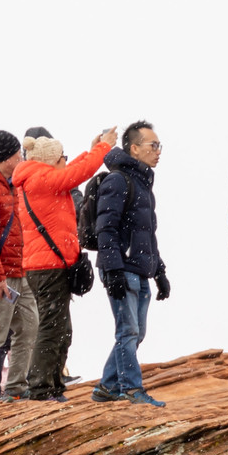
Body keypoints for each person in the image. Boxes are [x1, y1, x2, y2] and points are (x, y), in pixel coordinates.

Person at [15, 125, 116, 402]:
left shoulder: (40, 178)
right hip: (47, 267)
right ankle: (40, 388)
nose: (66, 161)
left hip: (48, 266)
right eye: (63, 157)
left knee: (61, 329)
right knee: (51, 328)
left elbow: (73, 170)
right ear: (51, 162)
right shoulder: (40, 180)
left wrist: (91, 147)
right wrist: (103, 147)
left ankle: (54, 384)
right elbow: (77, 173)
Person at [93, 121, 169, 407]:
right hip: (122, 268)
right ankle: (131, 389)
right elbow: (106, 229)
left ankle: (108, 386)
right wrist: (112, 270)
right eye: (154, 145)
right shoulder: (118, 180)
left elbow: (147, 234)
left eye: (160, 145)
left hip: (140, 269)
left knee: (137, 332)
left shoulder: (142, 184)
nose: (159, 151)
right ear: (134, 148)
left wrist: (160, 272)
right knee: (129, 331)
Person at [0, 130, 39, 407]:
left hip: (18, 270)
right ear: (7, 157)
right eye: (17, 155)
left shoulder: (8, 183)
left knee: (29, 325)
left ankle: (16, 385)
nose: (20, 158)